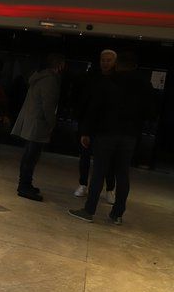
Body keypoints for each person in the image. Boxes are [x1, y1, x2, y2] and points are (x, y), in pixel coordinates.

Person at [69, 52, 155, 225]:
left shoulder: (109, 81)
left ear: (118, 64)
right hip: (130, 135)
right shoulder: (145, 85)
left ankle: (89, 210)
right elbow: (151, 112)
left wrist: (86, 131)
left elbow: (95, 108)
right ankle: (117, 214)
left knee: (99, 172)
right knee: (123, 174)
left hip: (106, 133)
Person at [10, 53, 66, 201]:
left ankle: (25, 184)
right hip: (38, 123)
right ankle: (24, 186)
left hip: (32, 121)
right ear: (59, 65)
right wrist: (52, 123)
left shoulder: (39, 76)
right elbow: (48, 105)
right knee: (31, 156)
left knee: (29, 155)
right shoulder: (50, 80)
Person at [74, 50, 117, 200]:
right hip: (90, 124)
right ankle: (83, 184)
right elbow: (85, 102)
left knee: (109, 160)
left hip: (109, 127)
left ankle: (110, 188)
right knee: (85, 155)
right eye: (103, 60)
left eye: (109, 60)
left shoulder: (117, 80)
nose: (105, 63)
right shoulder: (92, 78)